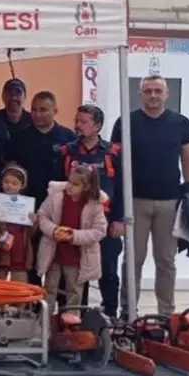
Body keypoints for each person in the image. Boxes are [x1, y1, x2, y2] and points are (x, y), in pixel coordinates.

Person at [111, 75, 189, 316]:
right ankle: (128, 312)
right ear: (140, 94)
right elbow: (115, 162)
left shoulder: (180, 123)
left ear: (166, 94)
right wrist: (118, 201)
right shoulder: (125, 123)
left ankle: (166, 314)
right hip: (135, 202)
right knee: (133, 260)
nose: (153, 95)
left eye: (157, 91)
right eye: (148, 91)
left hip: (170, 203)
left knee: (166, 262)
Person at [65, 104, 125, 318]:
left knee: (108, 269)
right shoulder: (67, 151)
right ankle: (74, 315)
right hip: (75, 222)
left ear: (97, 126)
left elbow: (123, 187)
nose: (78, 125)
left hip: (106, 222)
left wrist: (120, 219)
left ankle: (110, 313)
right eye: (77, 120)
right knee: (74, 271)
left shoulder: (114, 153)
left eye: (84, 121)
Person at [37, 164, 106, 314]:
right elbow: (42, 216)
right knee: (49, 288)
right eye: (69, 181)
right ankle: (45, 323)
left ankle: (72, 324)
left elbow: (99, 231)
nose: (70, 187)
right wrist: (54, 230)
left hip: (77, 257)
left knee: (74, 291)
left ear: (86, 187)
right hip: (54, 254)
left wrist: (74, 235)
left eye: (75, 184)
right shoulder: (55, 197)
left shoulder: (95, 205)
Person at [5, 91, 76, 208]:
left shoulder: (69, 138)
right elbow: (11, 168)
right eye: (34, 110)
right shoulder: (19, 137)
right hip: (26, 202)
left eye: (43, 110)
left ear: (55, 111)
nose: (37, 114)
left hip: (58, 201)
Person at [0, 164, 36, 282]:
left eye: (14, 183)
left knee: (20, 293)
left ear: (22, 185)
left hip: (20, 256)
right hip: (1, 256)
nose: (9, 185)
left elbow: (31, 234)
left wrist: (34, 222)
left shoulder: (26, 205)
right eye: (6, 181)